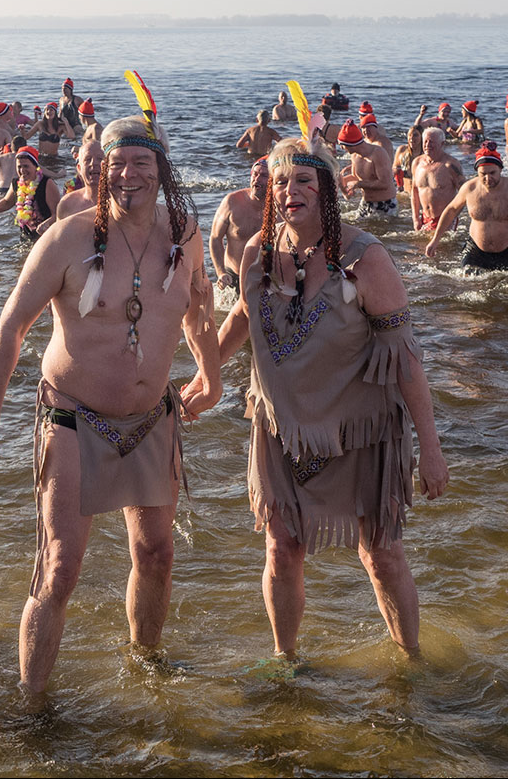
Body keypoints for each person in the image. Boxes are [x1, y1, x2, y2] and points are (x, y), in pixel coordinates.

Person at [0, 112, 221, 696]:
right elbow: (10, 328)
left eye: (141, 162)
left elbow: (197, 309)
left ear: (162, 168)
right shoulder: (70, 238)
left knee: (156, 553)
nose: (127, 174)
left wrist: (212, 373)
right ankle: (32, 709)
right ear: (100, 169)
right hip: (72, 417)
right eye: (116, 163)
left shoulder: (184, 235)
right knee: (59, 569)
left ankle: (146, 670)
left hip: (152, 418)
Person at [183, 136, 449, 662]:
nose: (290, 190)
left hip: (362, 429)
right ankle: (286, 660)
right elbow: (241, 316)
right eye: (280, 181)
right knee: (282, 548)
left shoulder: (366, 258)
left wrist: (432, 449)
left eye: (304, 179)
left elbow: (407, 360)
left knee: (381, 554)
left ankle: (411, 661)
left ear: (328, 187)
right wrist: (202, 375)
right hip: (281, 426)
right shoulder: (258, 251)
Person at [424, 141, 508, 270]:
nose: (487, 178)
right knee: (466, 283)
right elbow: (451, 211)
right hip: (476, 250)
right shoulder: (469, 188)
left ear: (500, 170)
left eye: (492, 173)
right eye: (483, 174)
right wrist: (435, 240)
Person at [208, 157, 268, 294]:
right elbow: (215, 238)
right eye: (255, 174)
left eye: (264, 175)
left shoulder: (281, 208)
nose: (257, 179)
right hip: (232, 276)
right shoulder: (232, 202)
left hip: (264, 279)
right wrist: (221, 272)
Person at [0, 146, 61, 244]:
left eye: (26, 166)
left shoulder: (47, 183)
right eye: (19, 166)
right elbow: (7, 202)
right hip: (26, 236)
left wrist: (47, 223)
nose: (22, 170)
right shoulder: (16, 183)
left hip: (46, 237)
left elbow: (58, 213)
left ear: (36, 166)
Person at [338, 120, 396, 218]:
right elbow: (356, 177)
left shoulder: (378, 153)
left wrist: (358, 184)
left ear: (351, 144)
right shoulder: (354, 156)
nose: (341, 148)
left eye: (342, 144)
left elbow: (385, 183)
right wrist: (341, 181)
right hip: (365, 203)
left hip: (385, 203)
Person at [411, 128, 464, 232]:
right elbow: (414, 192)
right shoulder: (417, 163)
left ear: (442, 143)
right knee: (420, 247)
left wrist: (451, 217)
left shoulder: (450, 165)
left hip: (444, 218)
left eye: (431, 142)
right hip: (425, 218)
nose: (427, 145)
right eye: (425, 141)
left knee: (444, 247)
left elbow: (464, 194)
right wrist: (416, 218)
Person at [55, 137, 103, 219]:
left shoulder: (120, 202)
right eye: (88, 159)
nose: (94, 163)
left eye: (100, 159)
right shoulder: (66, 204)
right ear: (79, 168)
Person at [393, 125, 424, 195]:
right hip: (404, 194)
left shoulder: (425, 154)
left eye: (415, 135)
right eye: (409, 135)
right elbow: (394, 170)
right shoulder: (402, 151)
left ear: (422, 137)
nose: (411, 138)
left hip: (420, 194)